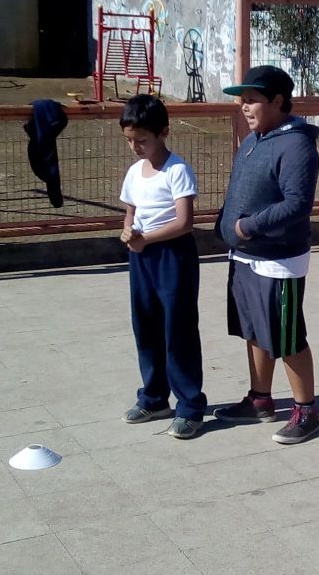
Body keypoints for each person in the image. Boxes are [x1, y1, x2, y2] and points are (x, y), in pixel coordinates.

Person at [212, 65, 319, 445]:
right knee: (255, 330)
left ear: (277, 101)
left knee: (287, 338)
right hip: (246, 257)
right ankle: (260, 399)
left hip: (278, 261)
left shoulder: (297, 146)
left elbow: (297, 204)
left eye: (252, 100)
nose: (244, 107)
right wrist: (225, 222)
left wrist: (247, 226)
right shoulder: (254, 139)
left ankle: (306, 411)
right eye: (242, 100)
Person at [117, 94, 207, 439]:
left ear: (163, 132)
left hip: (173, 256)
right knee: (146, 326)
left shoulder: (177, 170)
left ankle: (190, 407)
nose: (135, 147)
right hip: (141, 258)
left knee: (178, 330)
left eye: (142, 140)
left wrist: (147, 239)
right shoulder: (134, 172)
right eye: (129, 140)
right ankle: (154, 398)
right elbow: (131, 213)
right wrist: (128, 232)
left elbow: (184, 222)